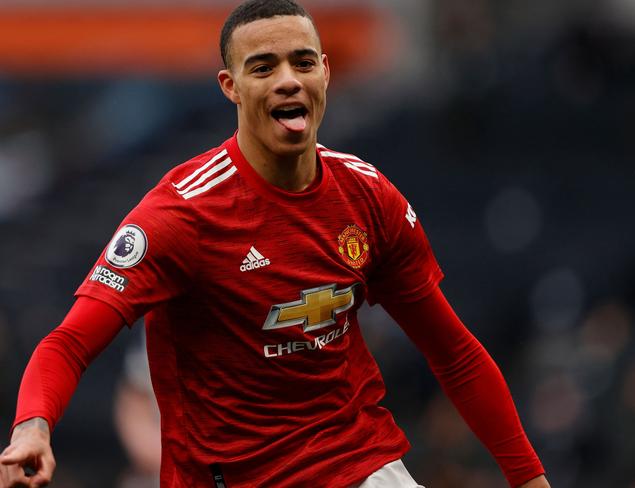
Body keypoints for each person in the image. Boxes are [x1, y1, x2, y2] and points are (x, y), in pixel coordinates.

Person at [0, 1, 551, 487]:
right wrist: (32, 427)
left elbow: (453, 353)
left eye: (303, 62)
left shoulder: (368, 197)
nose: (288, 80)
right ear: (230, 86)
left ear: (326, 73)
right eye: (263, 67)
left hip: (357, 464)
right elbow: (68, 343)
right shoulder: (180, 214)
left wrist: (528, 478)